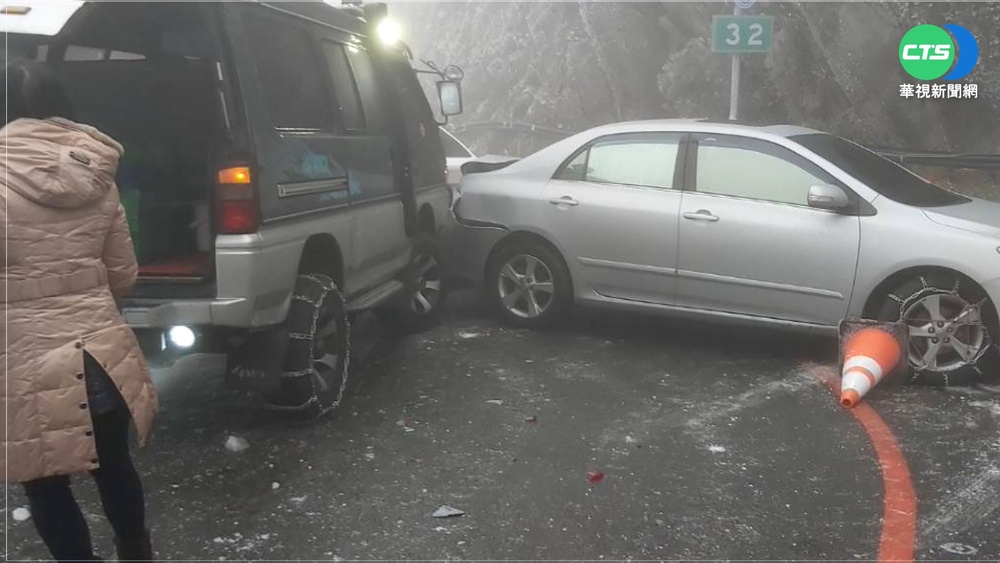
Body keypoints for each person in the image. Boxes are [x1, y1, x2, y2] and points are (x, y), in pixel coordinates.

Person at [1, 60, 159, 561]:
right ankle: (137, 553)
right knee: (113, 464)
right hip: (100, 353)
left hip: (25, 357)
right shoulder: (99, 177)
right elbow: (124, 277)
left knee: (45, 484)